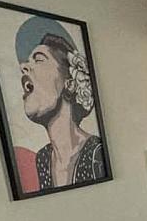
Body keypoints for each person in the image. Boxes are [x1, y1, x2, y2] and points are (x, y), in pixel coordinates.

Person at [13, 17, 106, 192]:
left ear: (69, 83)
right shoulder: (43, 158)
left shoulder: (96, 152)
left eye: (38, 59)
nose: (24, 66)